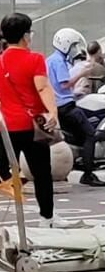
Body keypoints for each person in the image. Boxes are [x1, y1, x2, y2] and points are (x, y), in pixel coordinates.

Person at [0, 12, 61, 232]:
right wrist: (52, 111)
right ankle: (46, 217)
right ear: (25, 36)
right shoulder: (35, 59)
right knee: (41, 173)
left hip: (4, 126)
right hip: (31, 126)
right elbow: (42, 87)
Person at [48, 28, 104, 186]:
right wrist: (82, 74)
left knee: (79, 137)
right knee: (90, 134)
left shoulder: (50, 60)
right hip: (66, 106)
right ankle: (88, 174)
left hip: (57, 106)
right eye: (73, 46)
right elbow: (64, 84)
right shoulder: (59, 62)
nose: (75, 49)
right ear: (65, 45)